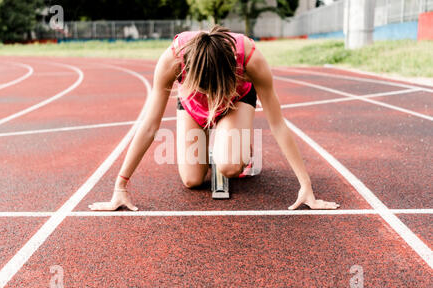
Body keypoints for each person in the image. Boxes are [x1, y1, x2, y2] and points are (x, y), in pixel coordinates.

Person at [89, 25, 340, 211]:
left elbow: (278, 124)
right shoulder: (172, 60)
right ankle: (223, 140)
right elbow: (149, 126)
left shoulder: (251, 59)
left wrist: (306, 186)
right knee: (192, 180)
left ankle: (238, 144)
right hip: (191, 105)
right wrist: (120, 186)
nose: (210, 97)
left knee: (229, 166)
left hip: (235, 101)